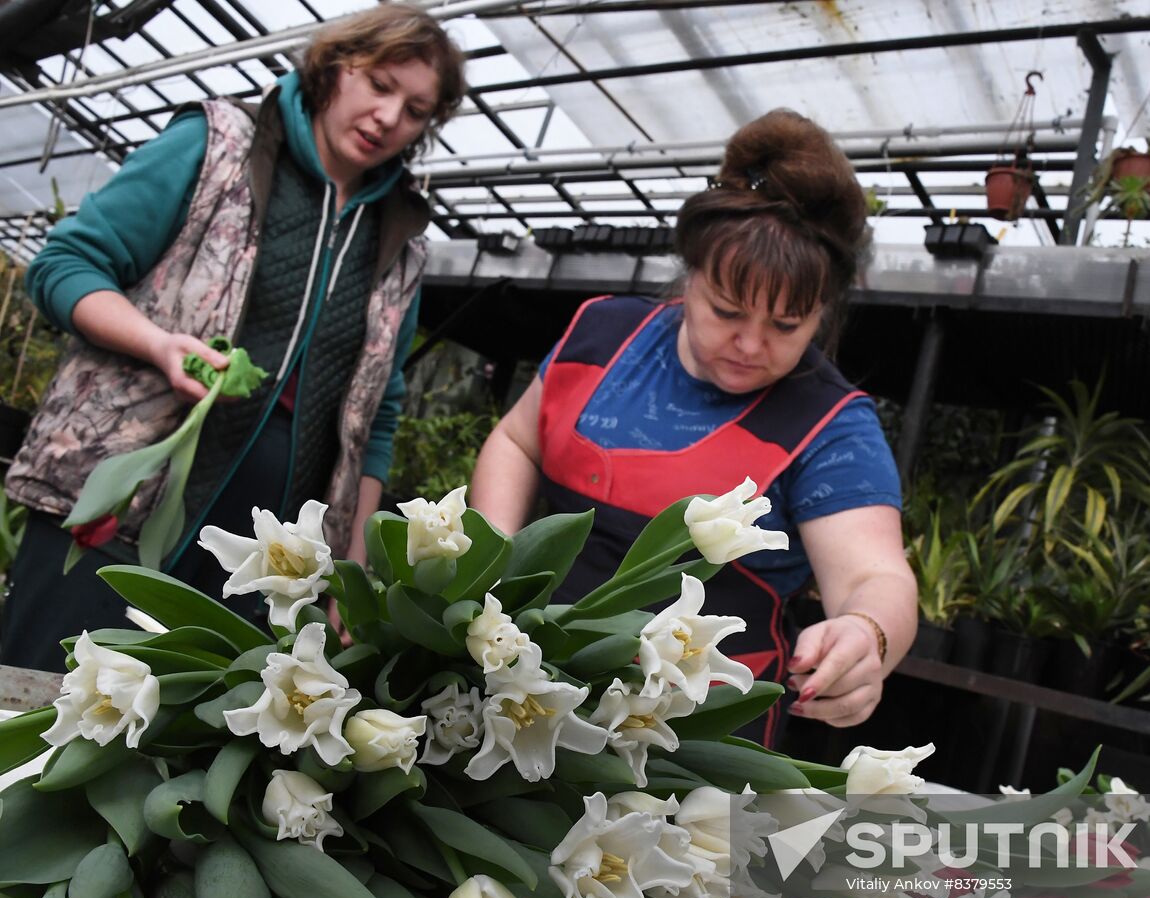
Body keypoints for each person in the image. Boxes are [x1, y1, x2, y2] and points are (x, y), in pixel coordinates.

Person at [2, 4, 465, 671]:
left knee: (164, 759)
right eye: (379, 84)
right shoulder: (219, 145)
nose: (390, 117)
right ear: (332, 68)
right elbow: (66, 267)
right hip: (118, 516)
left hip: (259, 570)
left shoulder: (399, 245)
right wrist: (158, 344)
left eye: (417, 108)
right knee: (42, 709)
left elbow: (376, 420)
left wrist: (350, 576)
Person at [469, 109, 918, 748]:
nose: (751, 344)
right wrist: (487, 562)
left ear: (822, 313)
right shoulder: (600, 333)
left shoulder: (828, 425)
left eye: (787, 326)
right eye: (726, 310)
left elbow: (877, 575)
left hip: (688, 734)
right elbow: (517, 441)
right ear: (690, 273)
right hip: (527, 687)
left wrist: (870, 633)